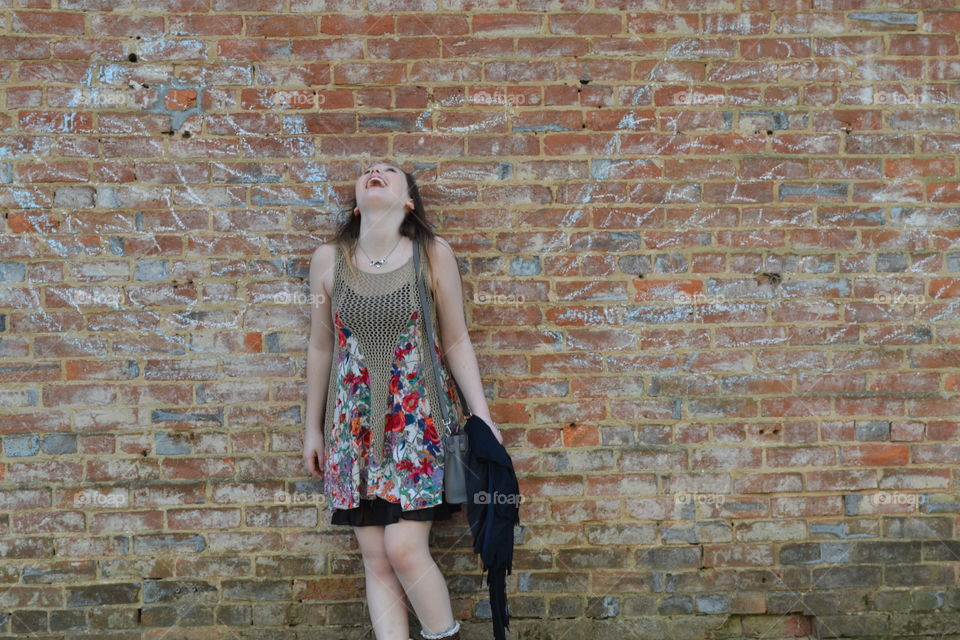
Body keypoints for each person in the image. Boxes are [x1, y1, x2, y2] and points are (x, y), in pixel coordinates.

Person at [303, 161, 504, 640]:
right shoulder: (327, 259)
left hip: (419, 429)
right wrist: (311, 428)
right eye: (368, 171)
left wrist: (482, 415)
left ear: (408, 201)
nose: (376, 171)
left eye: (389, 171)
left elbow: (456, 340)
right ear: (355, 203)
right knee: (376, 560)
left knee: (404, 549)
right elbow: (320, 344)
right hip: (352, 432)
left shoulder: (433, 254)